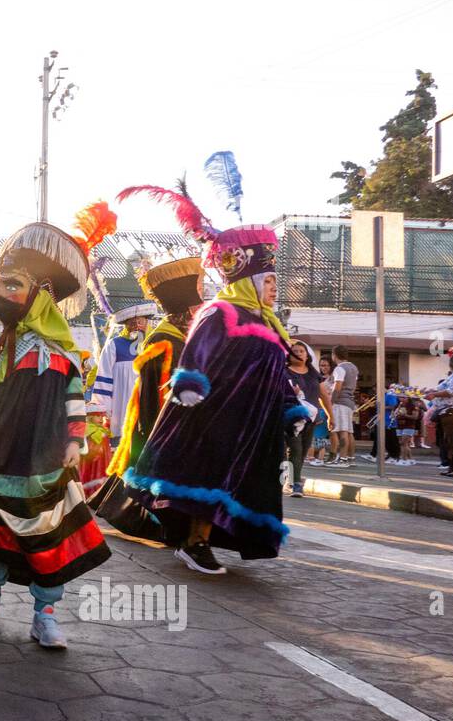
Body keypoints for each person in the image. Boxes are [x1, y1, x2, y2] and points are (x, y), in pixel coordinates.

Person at [0, 207, 115, 649]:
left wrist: (74, 440)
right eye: (1, 284)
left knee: (47, 531)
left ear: (41, 295)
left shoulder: (63, 352)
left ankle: (45, 613)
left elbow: (75, 401)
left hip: (48, 455)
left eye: (12, 285)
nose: (0, 293)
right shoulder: (0, 346)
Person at [121, 214, 303, 576]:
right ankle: (194, 542)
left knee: (242, 483)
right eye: (268, 280)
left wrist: (291, 407)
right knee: (208, 478)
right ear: (249, 280)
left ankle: (212, 538)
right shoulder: (220, 311)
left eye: (274, 280)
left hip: (254, 423)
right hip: (216, 416)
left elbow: (274, 373)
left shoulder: (269, 322)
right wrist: (189, 383)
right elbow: (196, 352)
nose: (273, 287)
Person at [91, 254, 205, 535]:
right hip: (160, 426)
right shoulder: (162, 341)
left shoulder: (178, 338)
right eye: (198, 304)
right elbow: (156, 397)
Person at [91, 301, 156, 447]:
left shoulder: (155, 344)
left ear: (147, 322)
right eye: (132, 323)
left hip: (149, 404)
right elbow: (104, 378)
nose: (137, 326)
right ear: (126, 325)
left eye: (140, 322)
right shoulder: (114, 344)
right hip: (121, 407)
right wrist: (103, 409)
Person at [285, 339, 328, 496]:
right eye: (294, 351)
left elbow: (324, 396)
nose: (298, 354)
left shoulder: (313, 374)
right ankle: (296, 484)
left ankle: (290, 478)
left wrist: (330, 416)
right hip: (290, 418)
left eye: (301, 351)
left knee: (303, 451)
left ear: (307, 355)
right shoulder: (283, 372)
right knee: (295, 449)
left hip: (311, 418)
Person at [328, 345, 359, 467]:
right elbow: (354, 386)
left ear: (334, 355)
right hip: (350, 401)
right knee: (349, 431)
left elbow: (337, 387)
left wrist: (331, 401)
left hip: (340, 402)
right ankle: (350, 458)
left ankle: (342, 459)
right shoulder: (354, 367)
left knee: (342, 431)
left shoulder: (339, 369)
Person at [393, 395, 422, 465]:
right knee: (402, 443)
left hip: (409, 426)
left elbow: (415, 417)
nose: (401, 399)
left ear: (408, 398)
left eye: (404, 397)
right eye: (400, 397)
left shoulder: (413, 406)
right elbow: (392, 415)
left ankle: (404, 460)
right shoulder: (397, 405)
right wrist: (395, 415)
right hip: (399, 426)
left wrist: (404, 415)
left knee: (404, 443)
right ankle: (411, 459)